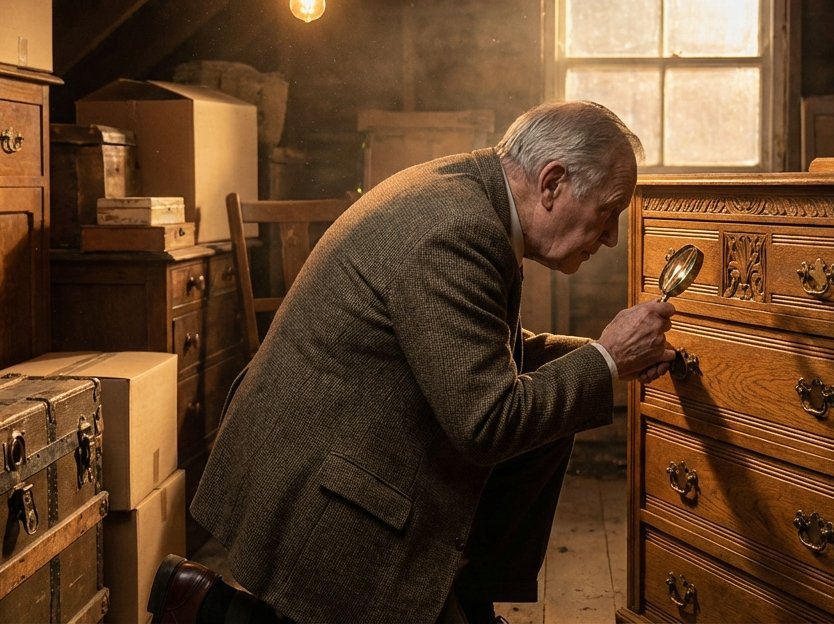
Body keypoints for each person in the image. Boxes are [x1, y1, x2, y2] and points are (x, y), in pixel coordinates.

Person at [148, 100, 677, 624]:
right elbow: (487, 423)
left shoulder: (475, 197)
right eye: (608, 212)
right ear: (552, 182)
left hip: (330, 447)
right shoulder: (458, 231)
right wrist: (607, 357)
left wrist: (610, 357)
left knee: (561, 406)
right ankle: (208, 608)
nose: (611, 237)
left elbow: (483, 353)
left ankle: (467, 599)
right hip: (315, 489)